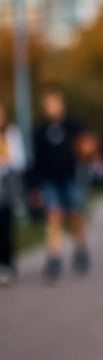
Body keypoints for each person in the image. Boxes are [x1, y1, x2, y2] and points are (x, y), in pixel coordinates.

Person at [31, 85, 93, 283]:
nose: (51, 106)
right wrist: (35, 185)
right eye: (48, 103)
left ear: (61, 102)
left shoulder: (73, 125)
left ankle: (81, 249)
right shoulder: (40, 130)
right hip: (50, 180)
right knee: (54, 216)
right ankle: (54, 258)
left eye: (54, 101)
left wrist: (88, 152)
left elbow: (87, 146)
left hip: (71, 177)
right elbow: (36, 159)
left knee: (76, 215)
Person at [0, 101, 26, 285]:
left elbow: (18, 161)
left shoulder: (12, 134)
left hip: (7, 184)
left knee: (5, 226)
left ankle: (7, 264)